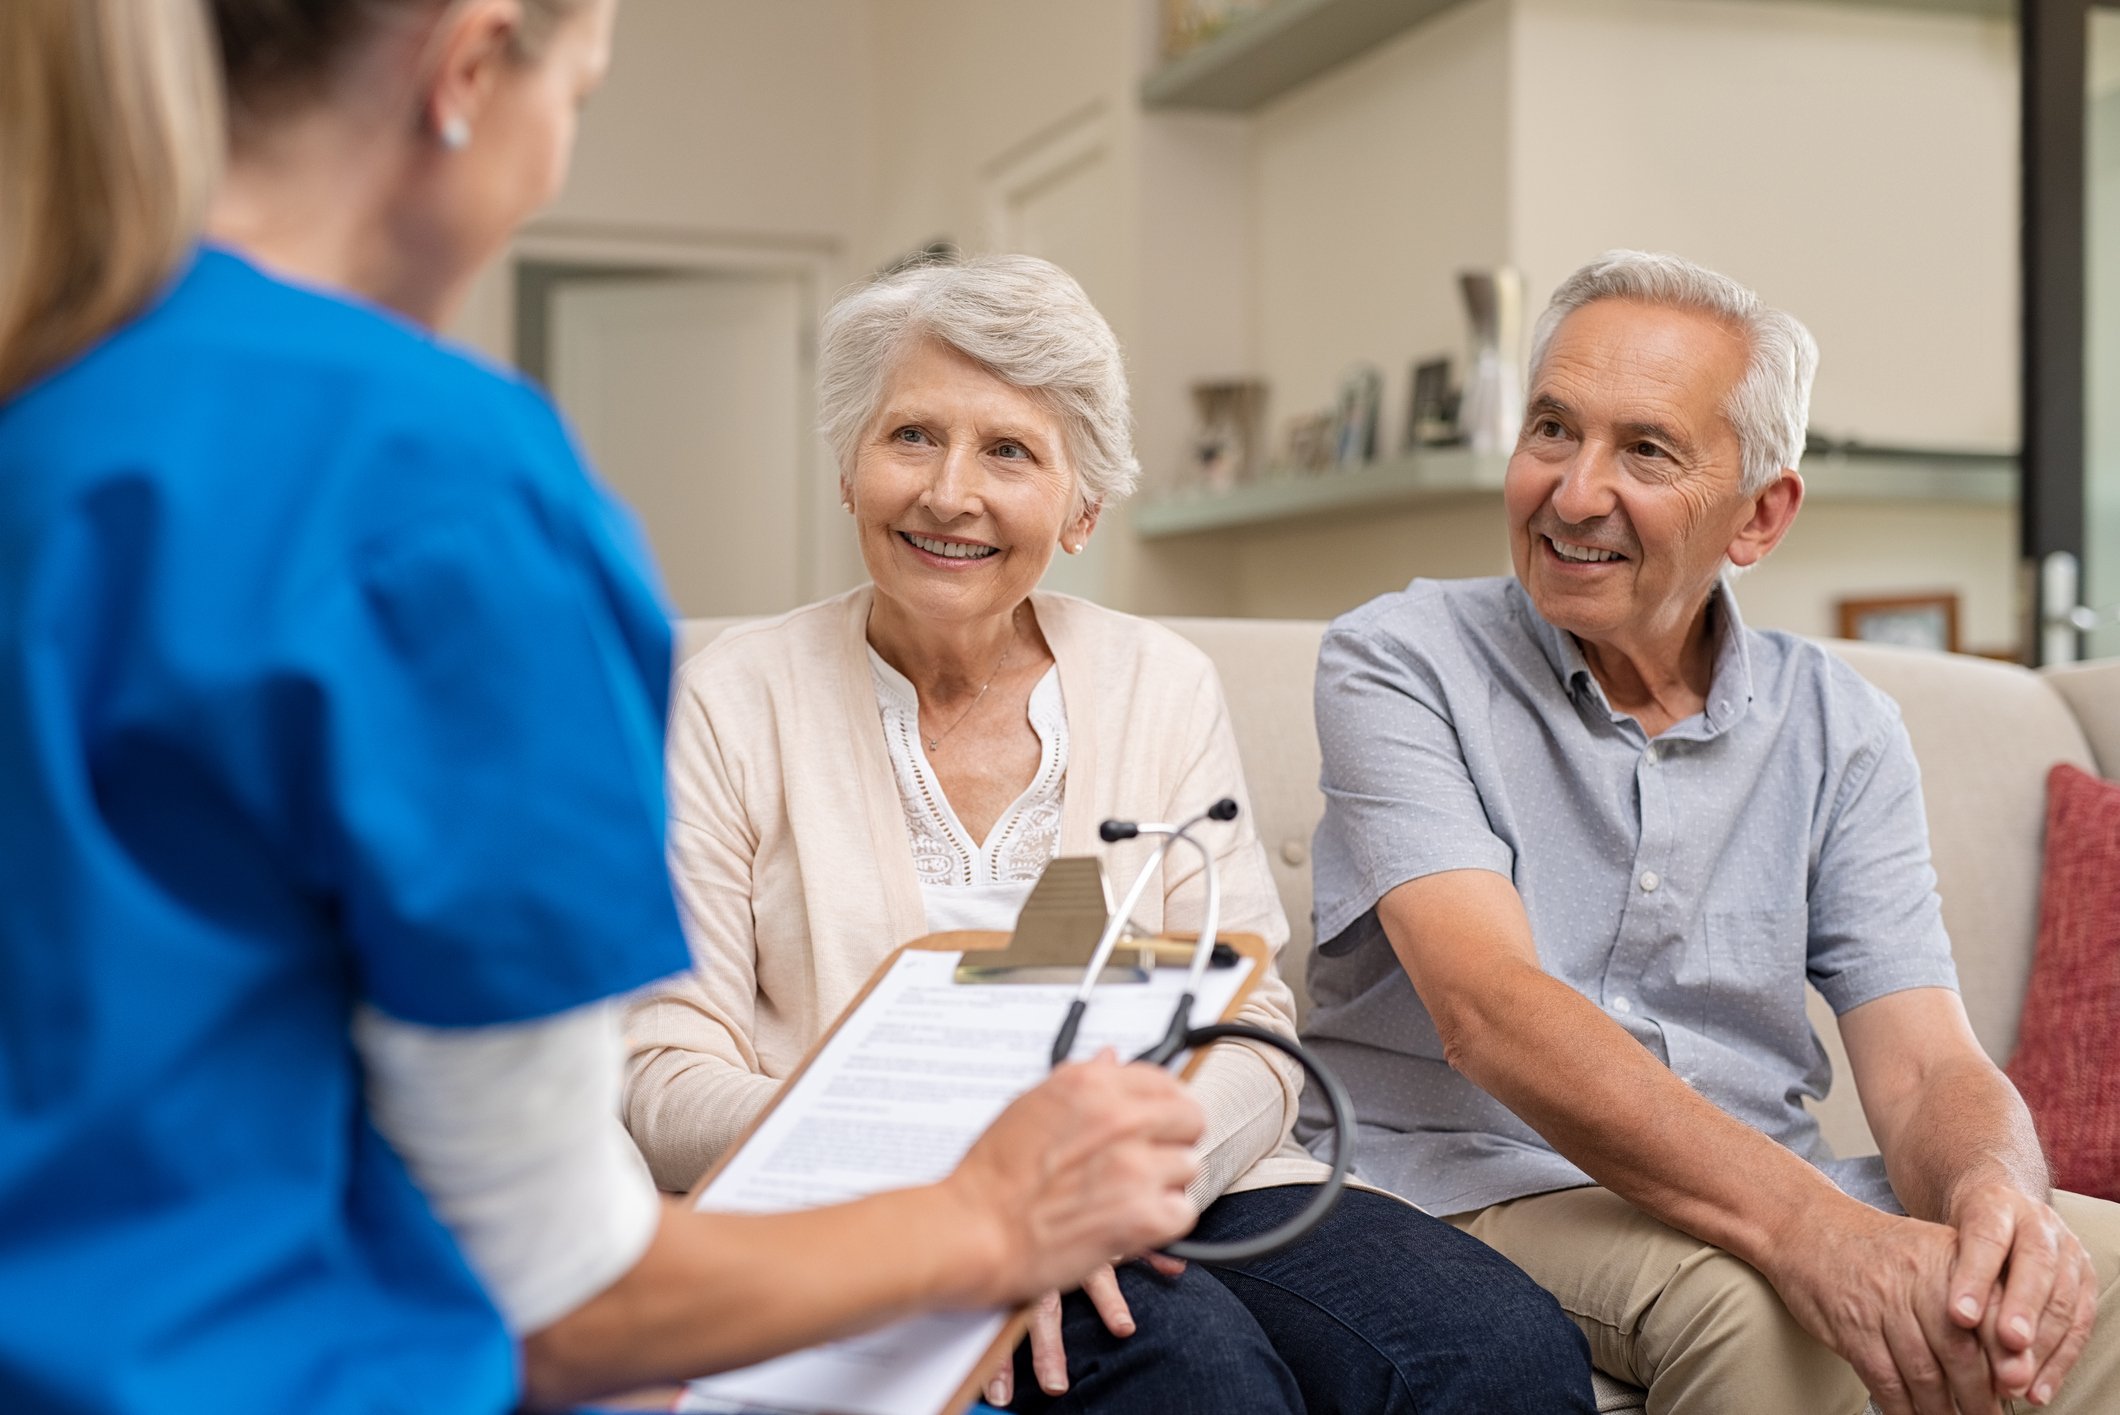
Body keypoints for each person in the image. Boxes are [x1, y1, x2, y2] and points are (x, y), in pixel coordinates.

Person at [0, 2, 1210, 1411]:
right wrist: (995, 1212)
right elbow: (557, 1290)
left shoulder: (50, 397)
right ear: (467, 66)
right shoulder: (441, 492)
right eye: (577, 94)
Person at [623, 252, 1595, 1414]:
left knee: (1502, 1346)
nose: (948, 492)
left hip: (1166, 1176)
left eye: (1009, 452)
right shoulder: (729, 698)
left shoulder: (1158, 685)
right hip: (863, 1207)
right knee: (1195, 1378)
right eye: (911, 436)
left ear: (1080, 507)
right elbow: (663, 1072)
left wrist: (1113, 1183)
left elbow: (1248, 1025)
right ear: (846, 465)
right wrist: (966, 1196)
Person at [1296, 248, 2120, 1414]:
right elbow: (1491, 1013)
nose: (1574, 493)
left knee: (2085, 1267)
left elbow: (1925, 1059)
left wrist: (1997, 1199)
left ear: (1760, 513)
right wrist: (1812, 1233)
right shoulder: (1399, 659)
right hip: (1475, 1182)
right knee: (1754, 1306)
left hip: (1767, 1175)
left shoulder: (1839, 725)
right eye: (1550, 430)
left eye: (1643, 450)